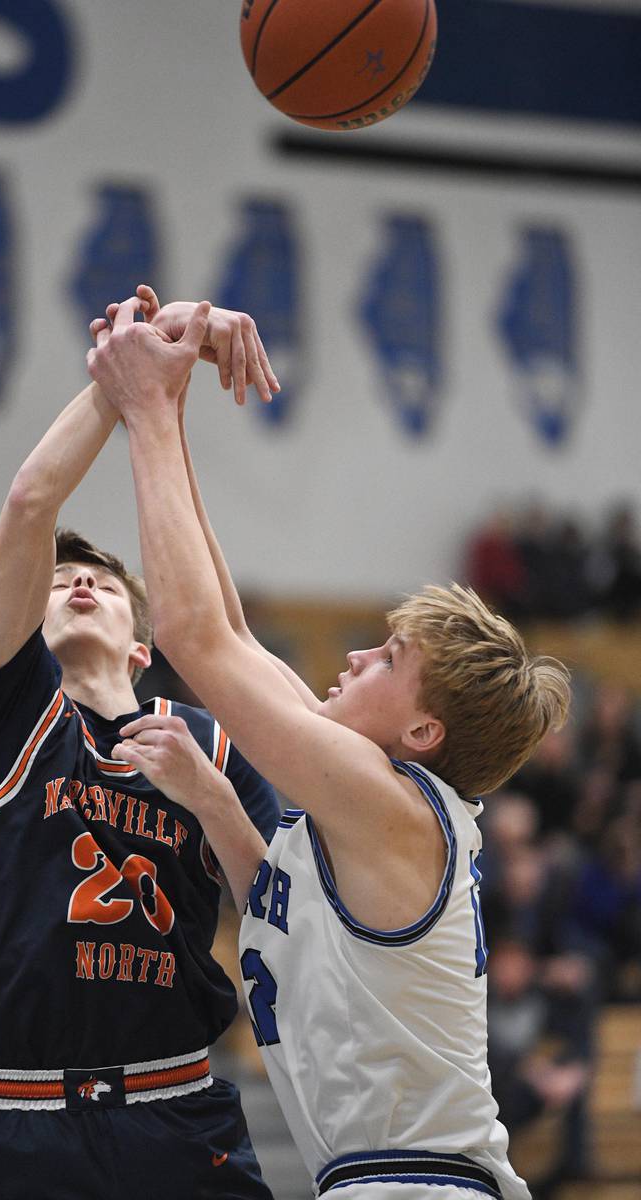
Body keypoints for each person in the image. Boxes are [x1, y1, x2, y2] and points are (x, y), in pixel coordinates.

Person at [86, 289, 572, 1200]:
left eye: (389, 657)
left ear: (424, 731)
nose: (355, 654)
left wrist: (146, 411)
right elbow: (226, 624)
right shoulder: (362, 812)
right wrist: (172, 405)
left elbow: (194, 639)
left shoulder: (391, 803)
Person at [0, 300, 284, 1200]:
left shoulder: (207, 737)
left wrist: (209, 797)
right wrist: (129, 373)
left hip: (179, 1105)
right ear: (25, 626)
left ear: (143, 645)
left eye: (99, 579)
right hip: (26, 1120)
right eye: (58, 581)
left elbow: (281, 906)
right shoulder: (6, 716)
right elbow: (31, 500)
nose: (80, 579)